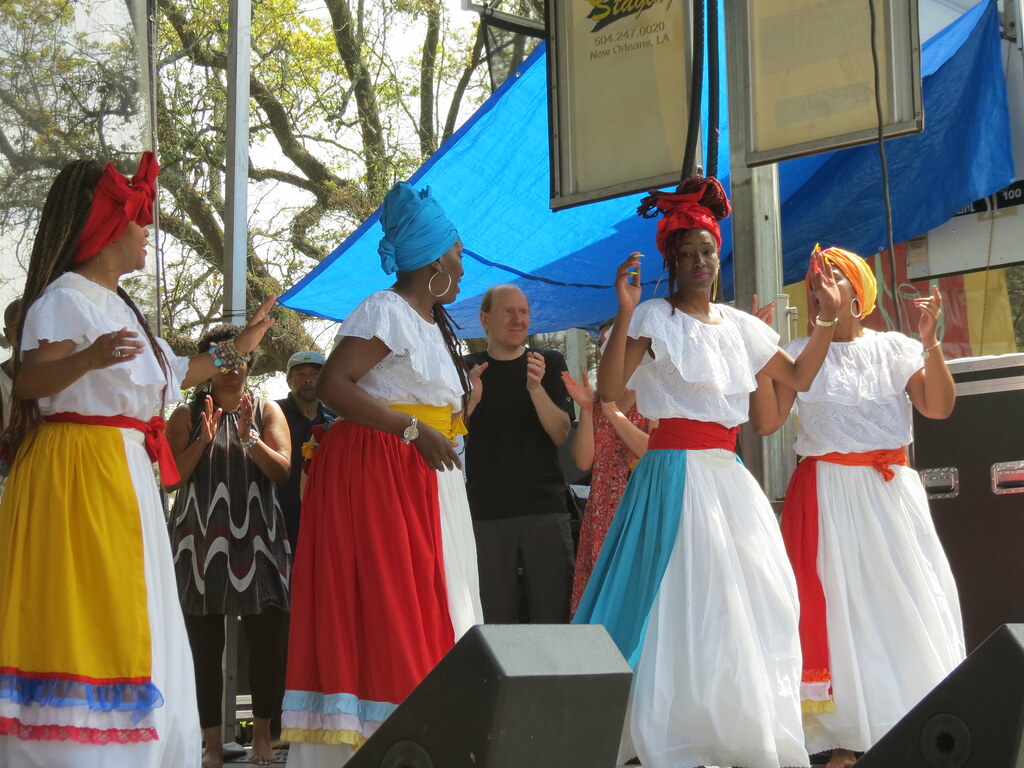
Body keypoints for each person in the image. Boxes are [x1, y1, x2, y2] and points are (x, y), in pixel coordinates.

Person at [0, 152, 275, 768]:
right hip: (81, 469)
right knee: (93, 613)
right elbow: (28, 382)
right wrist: (87, 360)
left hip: (122, 469)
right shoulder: (64, 299)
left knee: (136, 610)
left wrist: (239, 349)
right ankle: (78, 752)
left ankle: (142, 749)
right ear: (106, 229)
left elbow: (176, 372)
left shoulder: (120, 305)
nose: (148, 232)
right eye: (141, 221)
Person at [573, 175, 841, 768]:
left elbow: (796, 380)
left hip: (729, 477)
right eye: (686, 252)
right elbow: (611, 391)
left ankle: (733, 730)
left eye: (706, 251)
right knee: (673, 600)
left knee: (754, 599)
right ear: (672, 261)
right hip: (671, 476)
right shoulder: (652, 316)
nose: (697, 261)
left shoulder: (742, 327)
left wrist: (825, 322)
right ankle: (667, 731)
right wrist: (621, 313)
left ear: (719, 258)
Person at [281, 182, 482, 768]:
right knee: (390, 610)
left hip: (425, 475)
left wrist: (450, 418)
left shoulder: (436, 324)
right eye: (459, 254)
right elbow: (333, 386)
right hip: (383, 474)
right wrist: (412, 431)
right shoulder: (385, 310)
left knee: (439, 604)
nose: (463, 266)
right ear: (433, 258)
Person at [749, 246, 964, 768]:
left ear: (858, 290)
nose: (823, 281)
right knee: (840, 614)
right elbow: (767, 423)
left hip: (888, 496)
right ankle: (843, 738)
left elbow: (937, 406)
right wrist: (755, 353)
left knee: (901, 605)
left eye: (835, 275)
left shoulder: (893, 348)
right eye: (818, 276)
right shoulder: (799, 351)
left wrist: (930, 342)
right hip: (826, 496)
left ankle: (917, 720)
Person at [166, 325, 293, 768]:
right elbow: (169, 478)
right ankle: (212, 745)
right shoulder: (184, 415)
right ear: (208, 365)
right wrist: (203, 441)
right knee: (202, 645)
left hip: (259, 538)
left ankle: (261, 736)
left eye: (240, 358)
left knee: (268, 636)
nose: (234, 366)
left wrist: (249, 438)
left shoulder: (266, 409)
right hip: (198, 542)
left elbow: (282, 473)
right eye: (223, 358)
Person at [463, 285, 577, 623]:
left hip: (544, 509)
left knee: (554, 614)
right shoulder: (468, 368)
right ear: (485, 319)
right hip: (486, 514)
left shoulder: (548, 362)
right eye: (508, 311)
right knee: (494, 620)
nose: (518, 319)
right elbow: (450, 436)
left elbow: (560, 433)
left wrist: (535, 389)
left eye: (524, 311)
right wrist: (472, 398)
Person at [561, 319, 651, 616]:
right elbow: (584, 461)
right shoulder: (599, 399)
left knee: (632, 598)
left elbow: (651, 451)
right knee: (599, 603)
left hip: (636, 509)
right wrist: (588, 410)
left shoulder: (652, 396)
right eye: (601, 344)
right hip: (601, 511)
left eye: (610, 342)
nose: (603, 350)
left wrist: (611, 412)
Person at [275, 350, 334, 551]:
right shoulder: (271, 413)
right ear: (289, 380)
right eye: (300, 374)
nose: (308, 379)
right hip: (277, 516)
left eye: (316, 374)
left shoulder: (335, 421)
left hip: (322, 517)